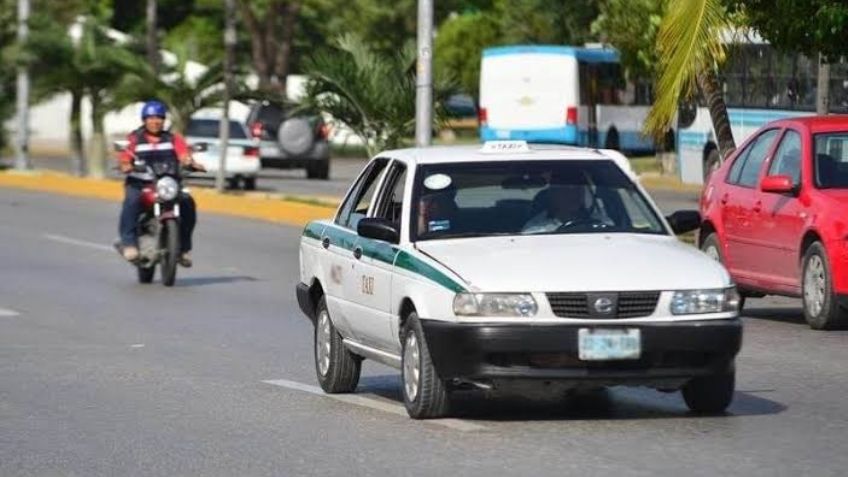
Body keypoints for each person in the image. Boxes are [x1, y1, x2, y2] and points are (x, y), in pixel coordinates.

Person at [117, 100, 205, 266]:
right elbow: (125, 157)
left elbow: (183, 154)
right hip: (140, 184)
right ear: (144, 120)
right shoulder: (135, 138)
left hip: (167, 184)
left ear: (164, 120)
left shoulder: (172, 139)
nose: (155, 121)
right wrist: (126, 164)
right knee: (131, 202)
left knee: (188, 204)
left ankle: (183, 250)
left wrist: (189, 162)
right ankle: (129, 243)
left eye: (159, 118)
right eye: (151, 118)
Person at [522, 172, 592, 234]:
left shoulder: (598, 223)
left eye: (578, 190)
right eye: (566, 191)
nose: (575, 195)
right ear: (554, 195)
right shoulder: (536, 229)